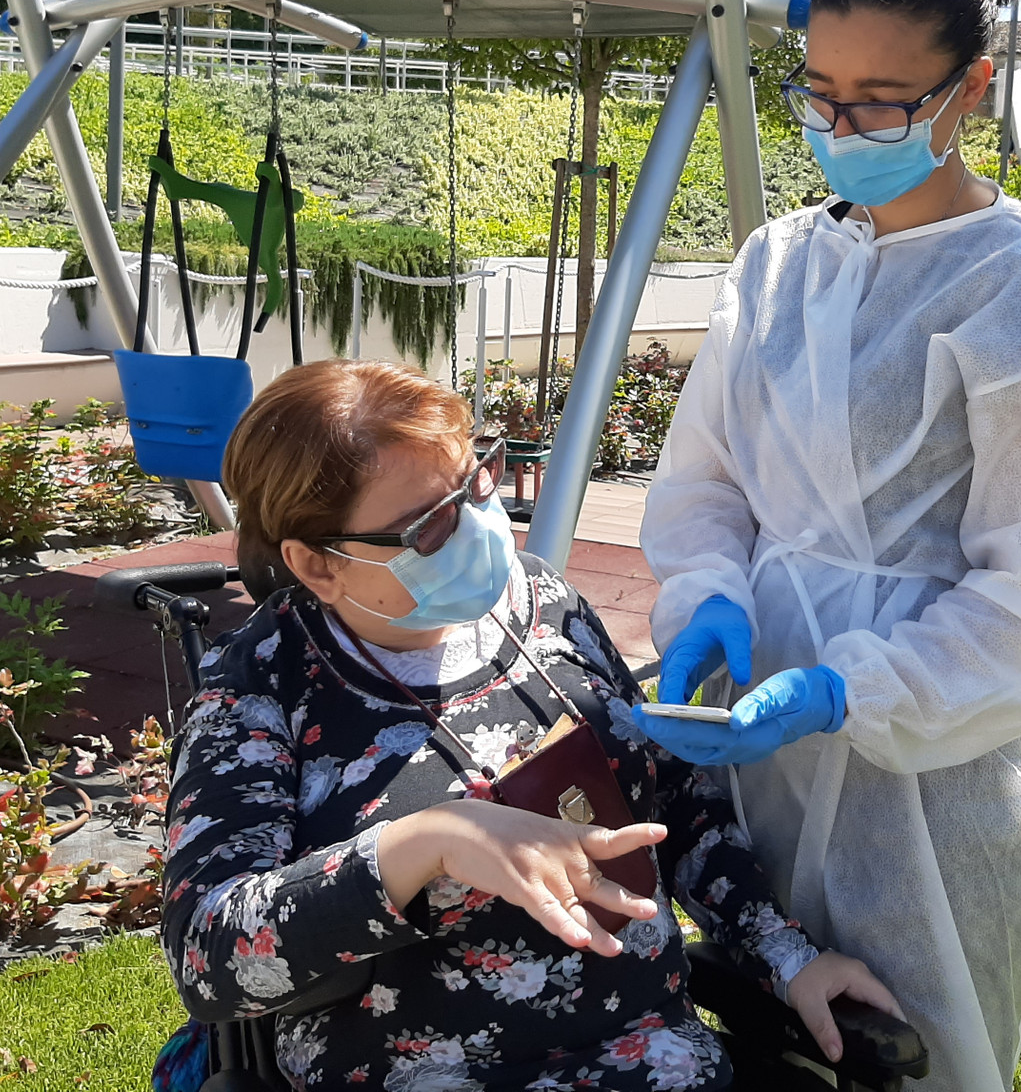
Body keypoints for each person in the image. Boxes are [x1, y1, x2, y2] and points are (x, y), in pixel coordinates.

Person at [636, 0, 1021, 1092]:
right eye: (821, 95)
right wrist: (707, 595)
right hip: (758, 761)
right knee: (763, 1041)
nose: (841, 130)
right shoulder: (777, 261)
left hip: (934, 793)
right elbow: (707, 477)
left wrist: (853, 690)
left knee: (917, 1057)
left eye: (883, 103)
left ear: (971, 90)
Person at [156, 359, 900, 1092]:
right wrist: (424, 845)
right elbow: (207, 956)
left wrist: (788, 957)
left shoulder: (541, 601)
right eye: (429, 527)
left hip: (658, 1062)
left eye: (476, 480)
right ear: (319, 566)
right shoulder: (260, 690)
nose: (479, 528)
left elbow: (672, 800)